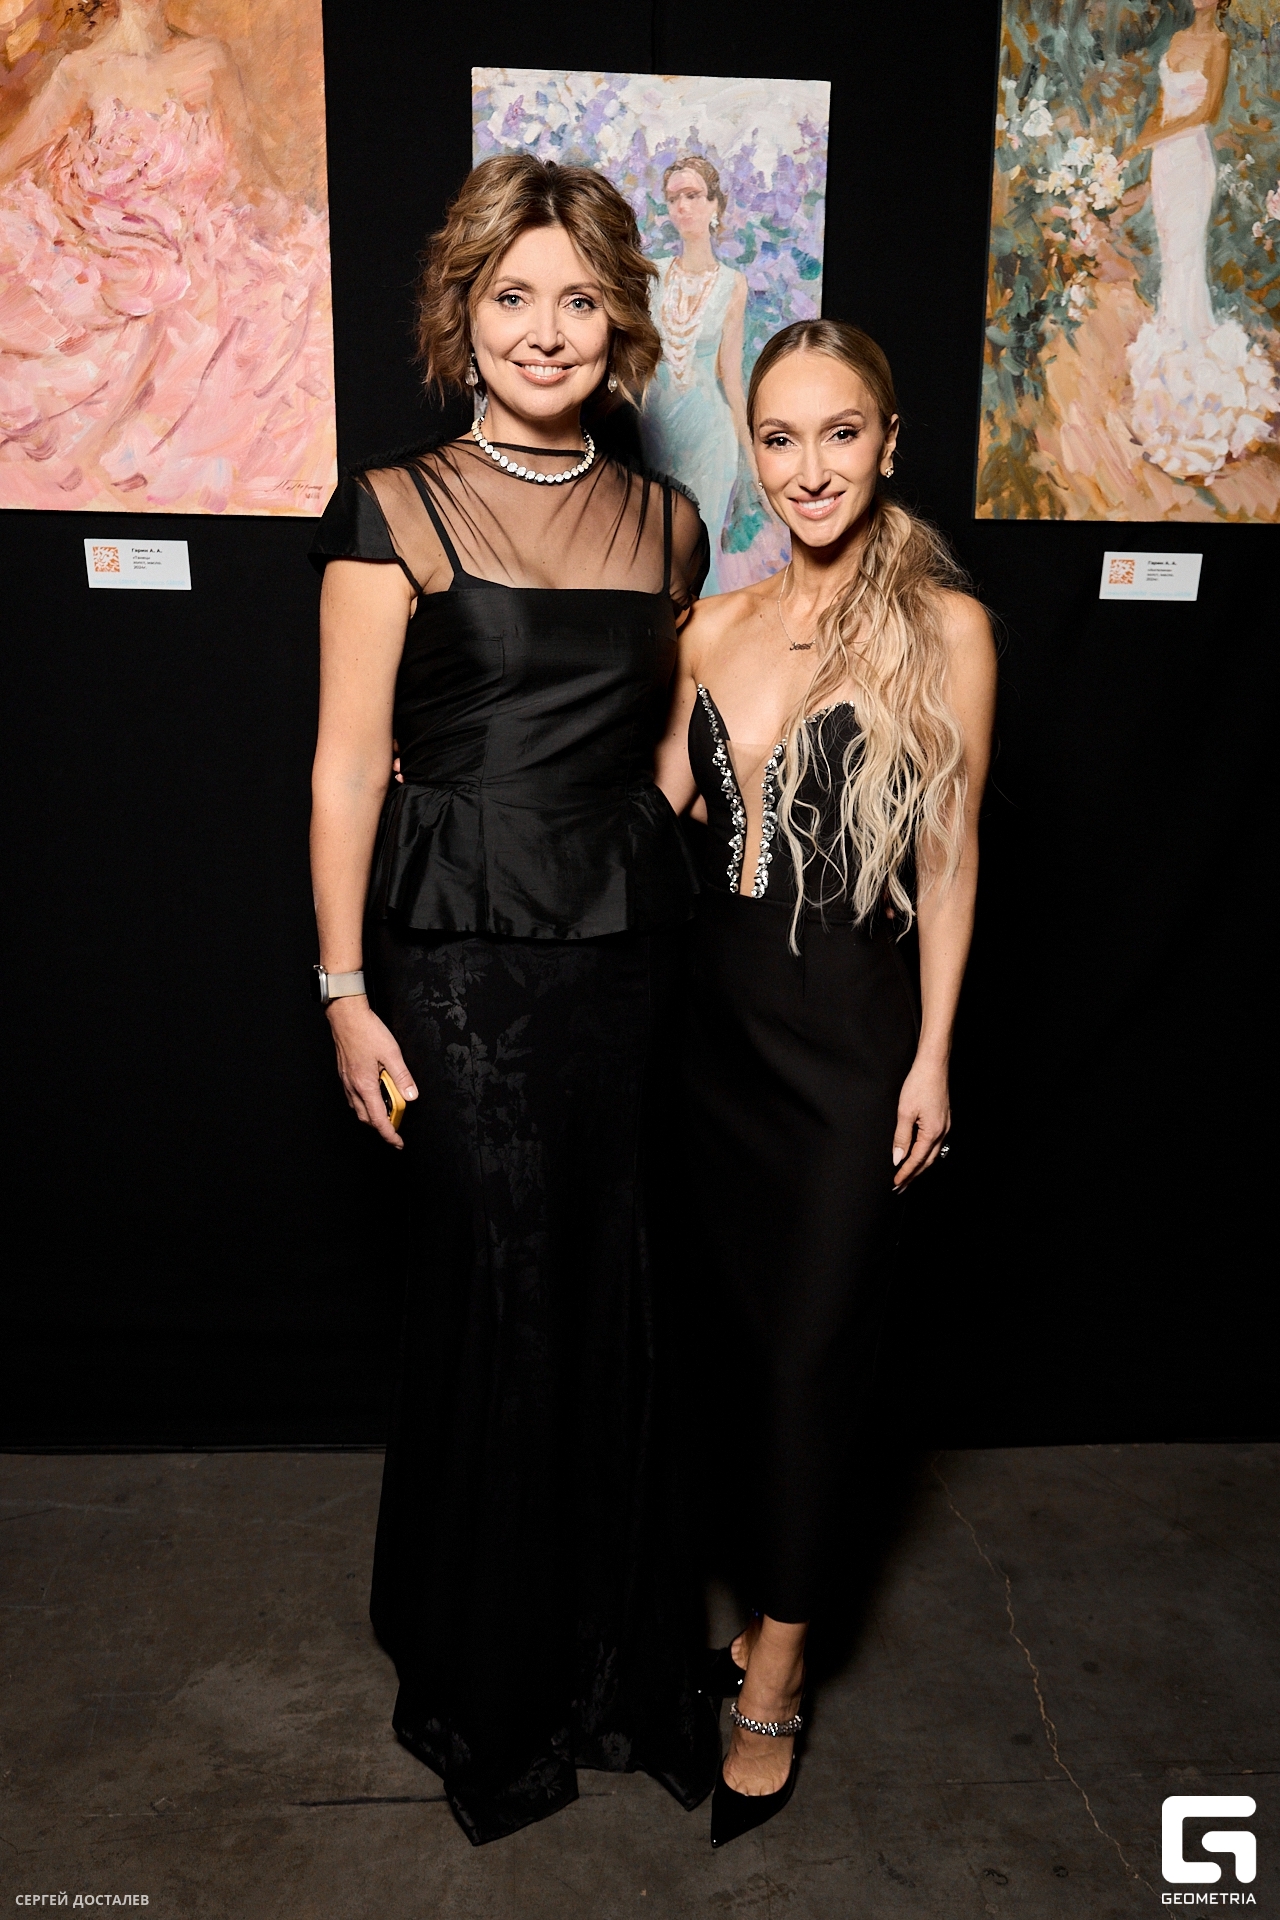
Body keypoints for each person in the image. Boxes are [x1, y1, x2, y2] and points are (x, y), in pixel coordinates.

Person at [308, 154, 719, 1846]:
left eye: (579, 299)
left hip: (627, 957)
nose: (547, 330)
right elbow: (346, 765)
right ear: (462, 313)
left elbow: (674, 742)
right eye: (513, 296)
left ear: (619, 325)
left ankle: (612, 1660)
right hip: (457, 964)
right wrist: (345, 991)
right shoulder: (393, 508)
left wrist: (652, 824)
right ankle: (491, 1669)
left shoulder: (671, 523)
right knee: (497, 1290)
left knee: (615, 1286)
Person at [656, 319, 996, 1847]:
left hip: (851, 1044)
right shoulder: (708, 627)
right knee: (727, 1357)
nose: (810, 468)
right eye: (780, 438)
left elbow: (952, 852)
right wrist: (457, 773)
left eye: (840, 433)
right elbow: (640, 817)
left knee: (811, 1361)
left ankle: (780, 1671)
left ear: (890, 442)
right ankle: (750, 1613)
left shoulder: (944, 627)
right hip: (703, 1042)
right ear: (752, 451)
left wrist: (933, 1054)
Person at [0, 0, 333, 513]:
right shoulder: (81, 70)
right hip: (100, 263)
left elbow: (250, 176)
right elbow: (11, 157)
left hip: (193, 258)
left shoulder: (210, 60)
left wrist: (299, 231)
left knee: (286, 300)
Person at [1123, 0, 1276, 481]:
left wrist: (1150, 138)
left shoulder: (1219, 43)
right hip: (1165, 163)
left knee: (1188, 258)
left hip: (1191, 158)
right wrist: (1140, 147)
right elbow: (1163, 105)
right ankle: (1169, 371)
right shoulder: (1175, 39)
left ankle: (1198, 384)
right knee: (1172, 258)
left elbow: (1206, 112)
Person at [639, 155, 754, 592]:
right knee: (651, 555)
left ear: (714, 204)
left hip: (710, 437)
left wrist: (752, 456)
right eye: (673, 199)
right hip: (657, 433)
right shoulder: (652, 275)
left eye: (692, 195)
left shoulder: (733, 284)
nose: (682, 206)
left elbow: (730, 376)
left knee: (698, 560)